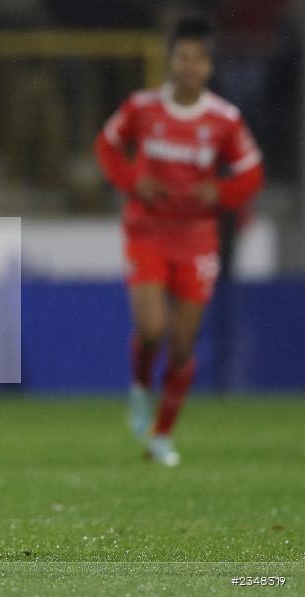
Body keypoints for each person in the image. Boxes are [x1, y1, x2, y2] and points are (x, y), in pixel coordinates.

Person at [94, 17, 263, 466]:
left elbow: (251, 172)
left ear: (208, 66)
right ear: (172, 60)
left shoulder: (224, 119)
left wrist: (222, 193)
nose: (188, 66)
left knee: (184, 345)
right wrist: (133, 181)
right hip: (148, 231)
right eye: (182, 57)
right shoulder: (142, 107)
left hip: (197, 239)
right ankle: (140, 388)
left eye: (197, 59)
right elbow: (107, 147)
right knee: (152, 330)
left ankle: (161, 435)